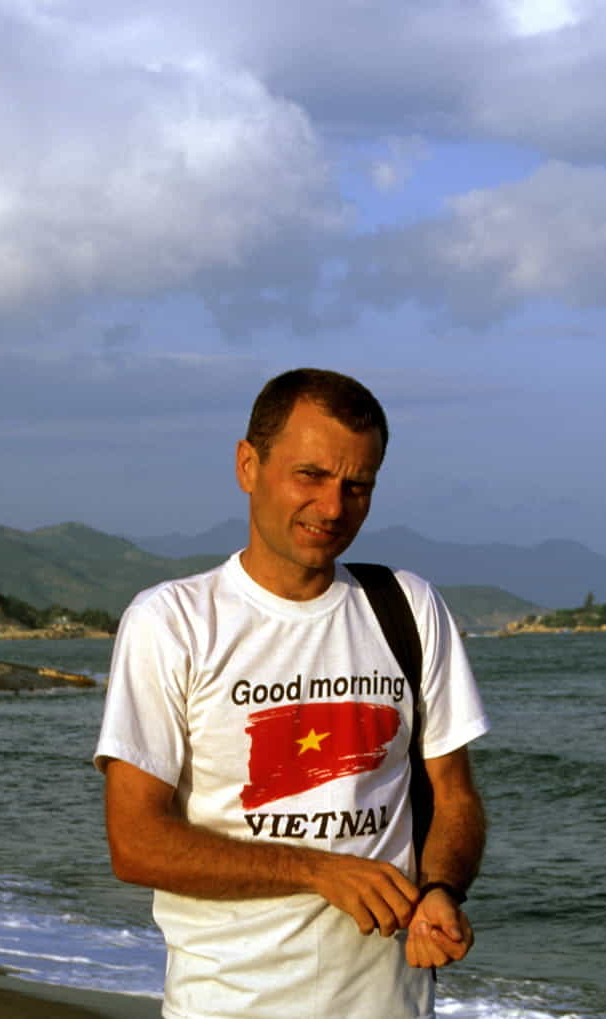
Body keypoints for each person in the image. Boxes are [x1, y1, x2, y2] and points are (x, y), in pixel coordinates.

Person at [95, 368, 489, 1018]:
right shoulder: (174, 622)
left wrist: (443, 888)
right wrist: (318, 870)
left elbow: (454, 794)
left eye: (357, 485)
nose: (334, 507)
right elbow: (135, 841)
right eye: (310, 475)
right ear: (248, 464)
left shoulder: (407, 607)